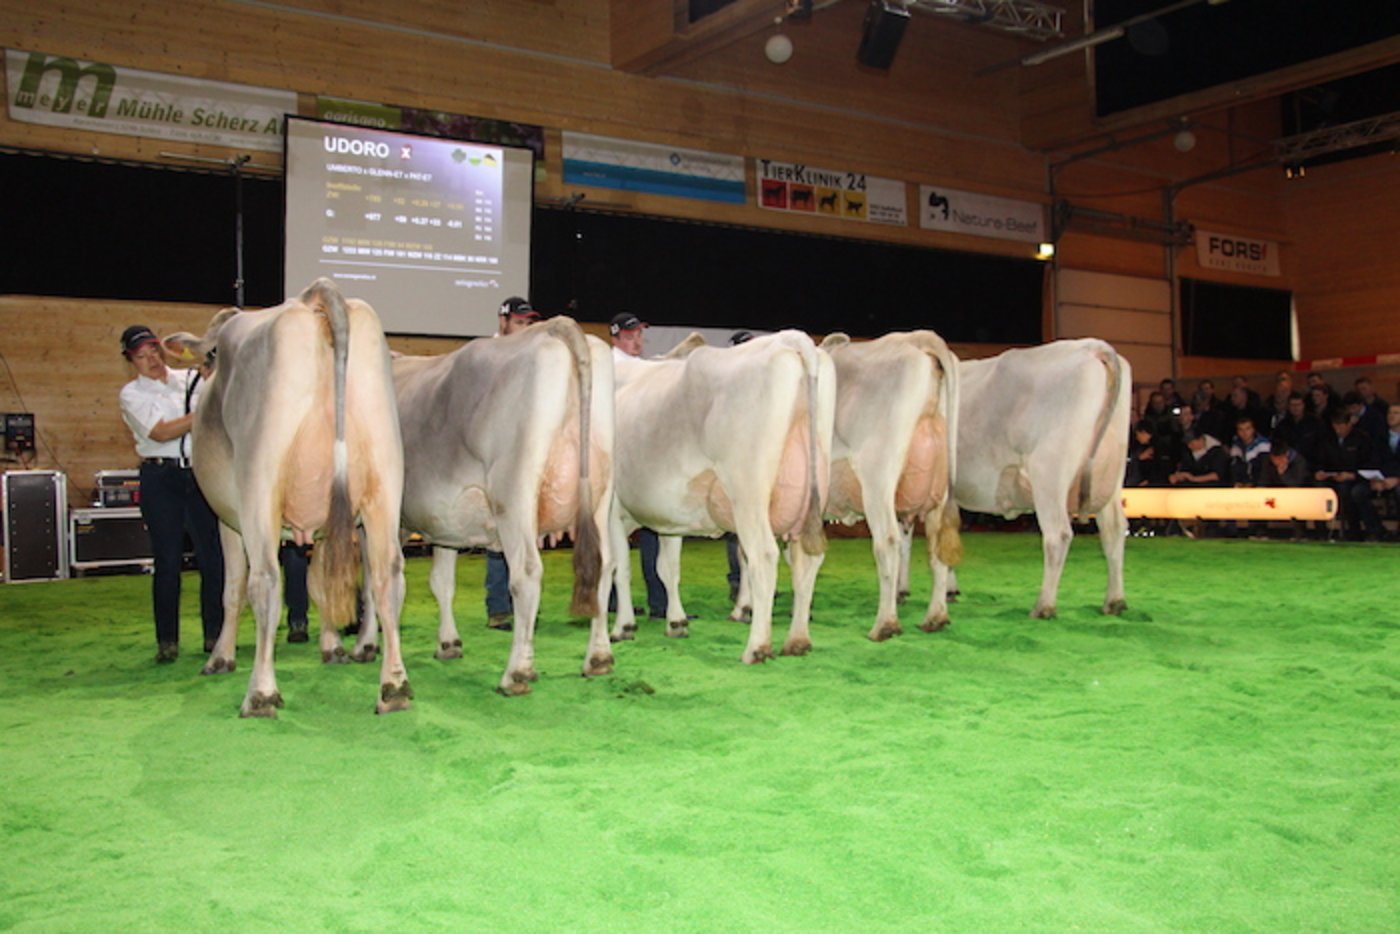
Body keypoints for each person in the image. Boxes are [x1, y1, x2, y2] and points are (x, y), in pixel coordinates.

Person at [117, 325, 224, 663]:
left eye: (154, 350)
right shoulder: (131, 394)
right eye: (141, 355)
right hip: (160, 478)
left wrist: (212, 375)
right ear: (131, 361)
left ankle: (216, 636)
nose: (151, 359)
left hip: (199, 474)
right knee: (167, 560)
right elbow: (161, 433)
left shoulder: (189, 379)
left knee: (213, 558)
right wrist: (204, 410)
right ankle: (167, 641)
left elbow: (221, 391)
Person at [483, 296, 543, 629]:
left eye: (528, 323)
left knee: (524, 530)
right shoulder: (484, 356)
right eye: (519, 322)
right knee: (497, 532)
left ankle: (525, 602)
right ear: (503, 321)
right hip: (489, 455)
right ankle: (498, 607)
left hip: (521, 452)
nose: (524, 328)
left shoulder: (529, 359)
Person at [609, 312, 666, 619]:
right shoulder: (611, 366)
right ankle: (613, 599)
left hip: (640, 461)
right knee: (613, 531)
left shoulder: (642, 367)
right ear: (615, 338)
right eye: (630, 337)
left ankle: (658, 600)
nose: (637, 342)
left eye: (639, 336)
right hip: (616, 460)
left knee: (652, 531)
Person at [1314, 408, 1379, 541]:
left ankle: (1357, 530)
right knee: (1318, 487)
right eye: (1335, 426)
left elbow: (1369, 464)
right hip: (1333, 477)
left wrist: (1352, 475)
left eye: (1341, 426)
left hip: (1357, 478)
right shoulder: (1328, 439)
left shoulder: (1362, 439)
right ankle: (1321, 532)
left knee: (1351, 491)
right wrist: (1320, 472)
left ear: (1349, 424)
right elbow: (1320, 460)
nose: (1338, 430)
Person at [724, 330, 754, 600]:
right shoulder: (728, 383)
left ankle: (754, 581)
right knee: (736, 527)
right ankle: (737, 581)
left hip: (755, 460)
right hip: (734, 462)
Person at [1227, 416, 1271, 486]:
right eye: (1241, 430)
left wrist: (1257, 486)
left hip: (1259, 486)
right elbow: (1233, 468)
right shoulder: (1236, 446)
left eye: (1247, 429)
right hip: (1242, 486)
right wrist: (1236, 482)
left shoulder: (1263, 445)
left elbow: (1265, 470)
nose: (1244, 433)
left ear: (1253, 429)